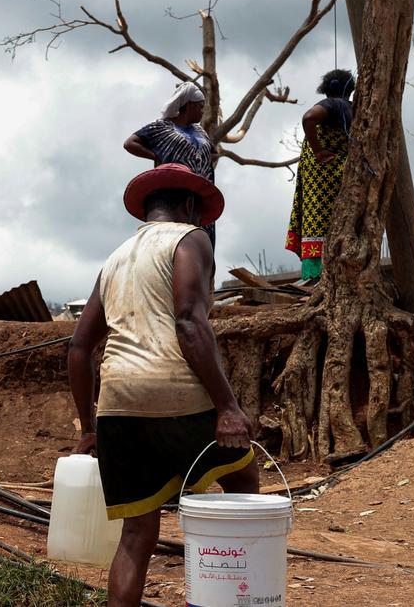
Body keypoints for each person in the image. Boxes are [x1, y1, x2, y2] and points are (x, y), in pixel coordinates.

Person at [68, 163, 259, 607]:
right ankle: (231, 591)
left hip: (117, 403)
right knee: (243, 478)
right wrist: (227, 407)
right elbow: (189, 319)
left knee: (136, 534)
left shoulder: (115, 258)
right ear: (190, 206)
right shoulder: (190, 239)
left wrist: (87, 427)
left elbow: (79, 348)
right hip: (175, 391)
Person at [124, 81, 219, 247]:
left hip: (199, 194)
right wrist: (157, 156)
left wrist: (200, 164)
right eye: (200, 106)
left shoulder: (200, 132)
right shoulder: (161, 127)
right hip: (174, 193)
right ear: (188, 105)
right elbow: (130, 143)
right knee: (173, 239)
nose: (203, 111)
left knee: (203, 240)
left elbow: (214, 153)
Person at [286, 69, 355, 284]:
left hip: (322, 178)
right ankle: (325, 276)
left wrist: (317, 151)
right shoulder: (344, 107)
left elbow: (308, 117)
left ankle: (315, 276)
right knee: (330, 222)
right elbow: (309, 118)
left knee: (317, 222)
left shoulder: (334, 105)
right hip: (333, 175)